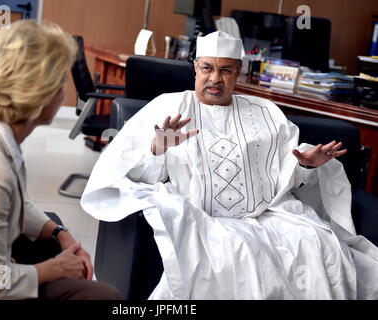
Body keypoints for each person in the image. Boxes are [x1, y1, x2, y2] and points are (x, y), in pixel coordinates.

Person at [81, 31, 378, 299]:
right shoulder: (168, 106)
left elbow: (287, 175)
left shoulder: (266, 112)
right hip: (202, 217)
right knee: (234, 255)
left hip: (268, 215)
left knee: (316, 245)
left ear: (239, 72)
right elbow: (129, 174)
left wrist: (309, 165)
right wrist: (156, 150)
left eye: (225, 70)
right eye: (207, 68)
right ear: (195, 68)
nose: (215, 79)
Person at [0, 19, 120, 300]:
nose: (63, 92)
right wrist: (56, 268)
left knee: (52, 224)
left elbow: (14, 201)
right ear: (41, 93)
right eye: (59, 82)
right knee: (105, 296)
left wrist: (59, 233)